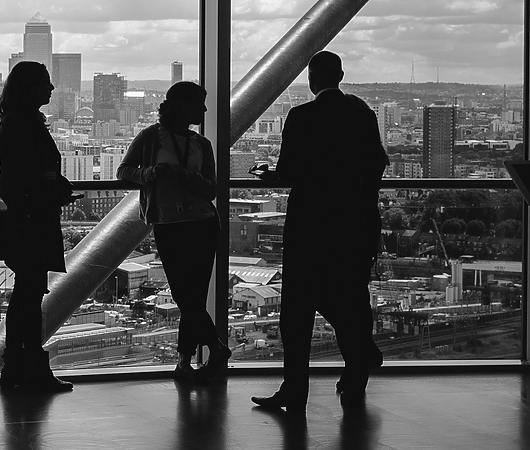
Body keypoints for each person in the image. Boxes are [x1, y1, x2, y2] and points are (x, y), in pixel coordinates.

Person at [251, 51, 390, 412]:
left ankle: (296, 390)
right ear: (341, 75)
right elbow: (376, 164)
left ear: (312, 80)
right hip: (355, 223)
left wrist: (270, 176)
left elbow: (289, 171)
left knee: (297, 310)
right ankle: (357, 365)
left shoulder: (302, 116)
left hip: (311, 224)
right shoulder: (363, 115)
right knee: (351, 295)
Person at [117, 81, 230, 381]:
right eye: (200, 103)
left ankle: (185, 361)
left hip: (198, 223)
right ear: (182, 106)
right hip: (176, 224)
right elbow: (124, 171)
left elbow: (211, 189)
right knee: (187, 296)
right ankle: (213, 348)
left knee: (190, 296)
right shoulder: (151, 138)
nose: (205, 109)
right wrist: (152, 173)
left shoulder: (201, 144)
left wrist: (181, 176)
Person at [0, 60, 78, 392]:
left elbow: (22, 173)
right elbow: (29, 175)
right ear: (30, 87)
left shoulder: (14, 121)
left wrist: (52, 185)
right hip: (30, 218)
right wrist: (56, 189)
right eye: (45, 83)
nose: (51, 89)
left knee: (26, 294)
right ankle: (30, 369)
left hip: (21, 216)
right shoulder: (24, 123)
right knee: (29, 295)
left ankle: (18, 368)